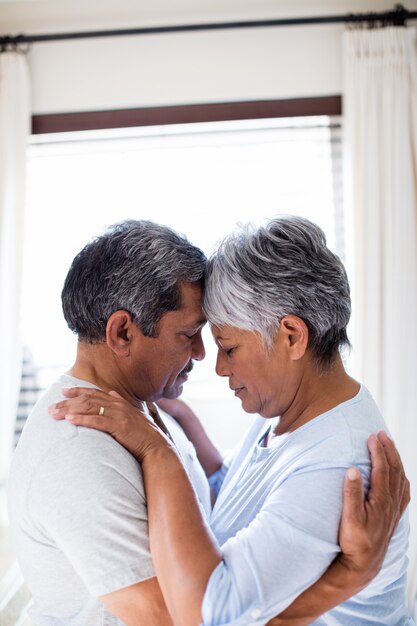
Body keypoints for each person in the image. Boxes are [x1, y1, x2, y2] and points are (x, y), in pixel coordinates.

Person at [52, 216, 413, 625]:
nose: (219, 366)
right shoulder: (290, 411)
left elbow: (213, 616)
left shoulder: (340, 468)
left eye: (229, 347)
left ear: (291, 336)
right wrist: (184, 426)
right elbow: (248, 510)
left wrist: (158, 451)